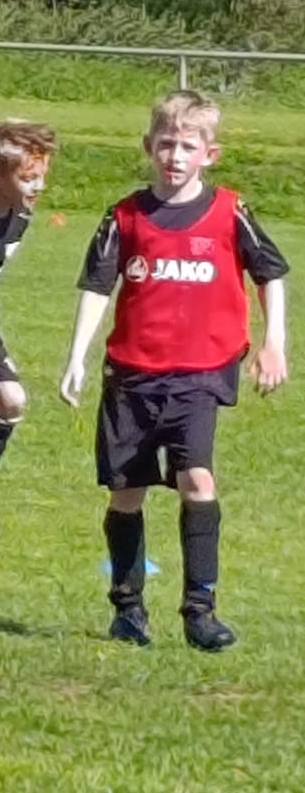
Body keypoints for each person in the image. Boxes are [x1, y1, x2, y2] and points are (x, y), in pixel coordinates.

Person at [58, 91, 288, 652]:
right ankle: (128, 608)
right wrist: (77, 356)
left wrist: (274, 342)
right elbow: (97, 285)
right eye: (166, 144)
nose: (175, 156)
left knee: (197, 480)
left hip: (199, 374)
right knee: (126, 493)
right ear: (148, 147)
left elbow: (270, 273)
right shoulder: (125, 216)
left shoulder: (229, 211)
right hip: (132, 375)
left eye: (187, 146)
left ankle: (200, 610)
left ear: (210, 154)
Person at [0, 119, 59, 540]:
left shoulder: (21, 215)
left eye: (42, 176)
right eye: (28, 178)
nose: (38, 186)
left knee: (11, 400)